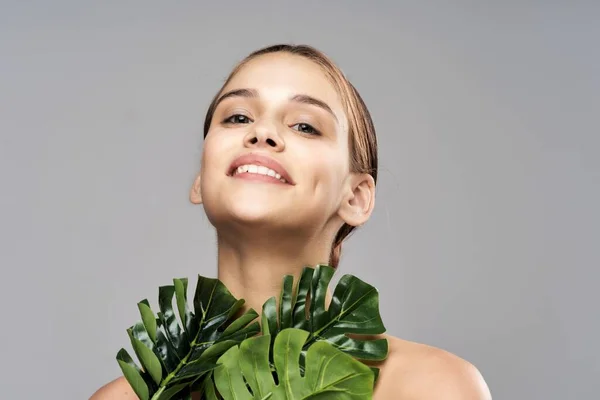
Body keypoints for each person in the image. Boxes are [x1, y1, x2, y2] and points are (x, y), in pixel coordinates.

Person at [90, 44, 492, 399]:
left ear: (355, 197)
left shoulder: (433, 388)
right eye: (237, 118)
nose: (262, 132)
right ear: (200, 178)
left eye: (304, 125)